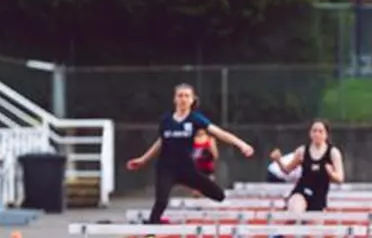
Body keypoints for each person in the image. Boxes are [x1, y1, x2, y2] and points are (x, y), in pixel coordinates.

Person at [129, 83, 254, 223]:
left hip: (186, 168)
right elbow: (161, 141)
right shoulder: (166, 120)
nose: (183, 99)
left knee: (219, 195)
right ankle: (150, 235)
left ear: (192, 100)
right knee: (161, 202)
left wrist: (241, 144)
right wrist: (143, 159)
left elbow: (220, 133)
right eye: (180, 96)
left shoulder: (196, 119)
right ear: (175, 99)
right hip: (166, 168)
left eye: (187, 96)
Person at [270, 120, 345, 214]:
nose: (317, 134)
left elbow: (340, 178)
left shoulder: (333, 153)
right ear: (310, 133)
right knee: (296, 211)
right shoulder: (302, 151)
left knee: (314, 227)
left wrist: (331, 173)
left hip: (319, 196)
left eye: (320, 131)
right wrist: (278, 160)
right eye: (314, 131)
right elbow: (287, 170)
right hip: (302, 190)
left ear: (326, 134)